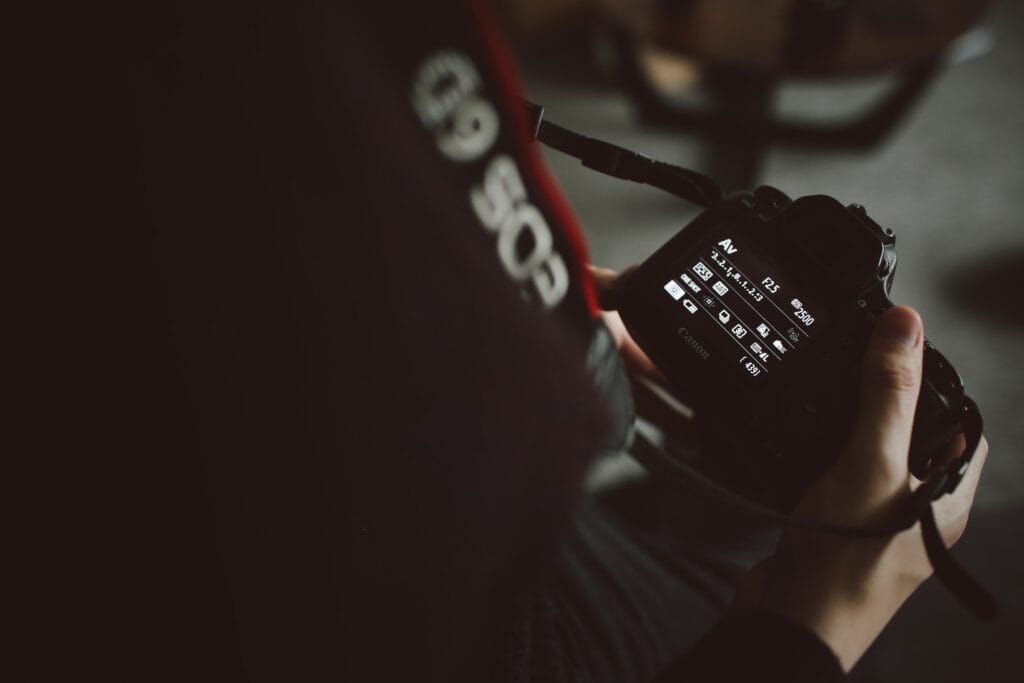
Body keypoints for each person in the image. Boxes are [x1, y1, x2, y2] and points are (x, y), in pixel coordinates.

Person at [127, 1, 988, 680]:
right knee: (765, 554)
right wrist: (817, 632)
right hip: (509, 634)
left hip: (522, 525)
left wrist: (539, 317)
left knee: (750, 490)